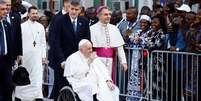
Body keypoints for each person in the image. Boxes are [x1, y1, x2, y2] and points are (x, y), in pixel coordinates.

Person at [48, 0, 90, 99]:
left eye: (76, 9)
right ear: (68, 8)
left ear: (80, 10)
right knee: (61, 89)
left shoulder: (84, 22)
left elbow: (87, 41)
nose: (74, 11)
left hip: (78, 62)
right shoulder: (59, 20)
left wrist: (86, 58)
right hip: (62, 61)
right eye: (72, 9)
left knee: (77, 90)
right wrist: (62, 61)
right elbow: (55, 42)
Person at [14, 6, 46, 101]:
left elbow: (43, 43)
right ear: (28, 14)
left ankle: (37, 97)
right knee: (24, 78)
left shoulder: (40, 27)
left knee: (36, 80)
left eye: (36, 13)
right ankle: (20, 98)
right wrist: (19, 55)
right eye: (33, 13)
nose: (35, 15)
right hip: (25, 57)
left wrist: (43, 56)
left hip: (37, 58)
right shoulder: (22, 26)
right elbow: (18, 42)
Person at [90, 6, 127, 83]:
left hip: (110, 61)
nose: (108, 16)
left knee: (109, 83)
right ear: (99, 16)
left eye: (109, 14)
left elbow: (120, 48)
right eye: (105, 14)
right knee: (98, 83)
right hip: (97, 61)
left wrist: (123, 62)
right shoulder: (92, 29)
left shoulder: (114, 28)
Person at [0, 0, 13, 100]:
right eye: (2, 9)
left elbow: (10, 44)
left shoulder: (6, 25)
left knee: (8, 87)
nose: (5, 11)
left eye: (6, 9)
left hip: (6, 61)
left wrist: (12, 61)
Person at [4, 0, 22, 65]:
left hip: (12, 55)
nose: (8, 7)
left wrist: (19, 53)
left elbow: (18, 36)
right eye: (6, 5)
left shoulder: (16, 17)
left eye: (9, 5)